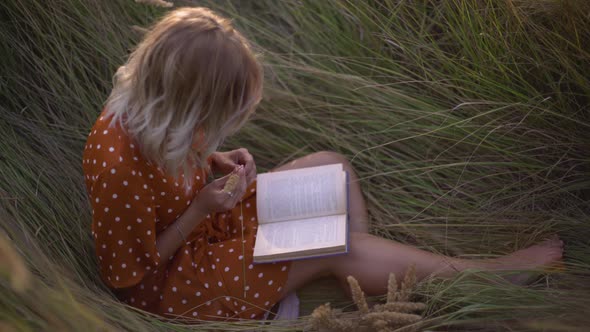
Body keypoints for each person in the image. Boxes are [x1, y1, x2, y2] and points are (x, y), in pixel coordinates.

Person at [82, 6, 564, 322]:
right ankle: (481, 275)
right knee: (332, 245)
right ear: (187, 104)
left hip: (203, 222)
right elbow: (127, 277)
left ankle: (351, 283)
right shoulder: (115, 162)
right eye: (211, 119)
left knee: (334, 168)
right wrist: (200, 211)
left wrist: (212, 158)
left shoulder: (154, 109)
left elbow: (170, 163)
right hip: (172, 283)